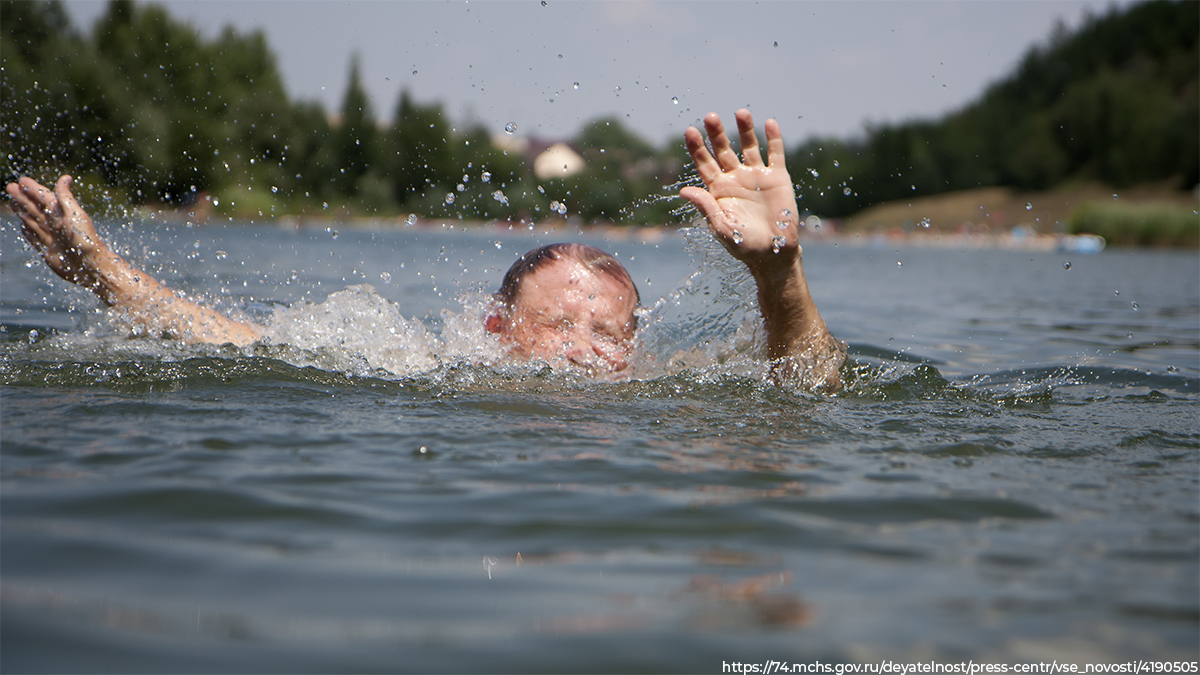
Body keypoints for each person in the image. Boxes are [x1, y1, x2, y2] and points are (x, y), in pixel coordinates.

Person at [5, 110, 844, 391]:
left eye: (608, 336)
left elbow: (809, 385)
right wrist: (100, 270)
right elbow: (233, 343)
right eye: (558, 326)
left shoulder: (660, 394)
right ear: (492, 327)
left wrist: (781, 276)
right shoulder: (425, 363)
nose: (585, 353)